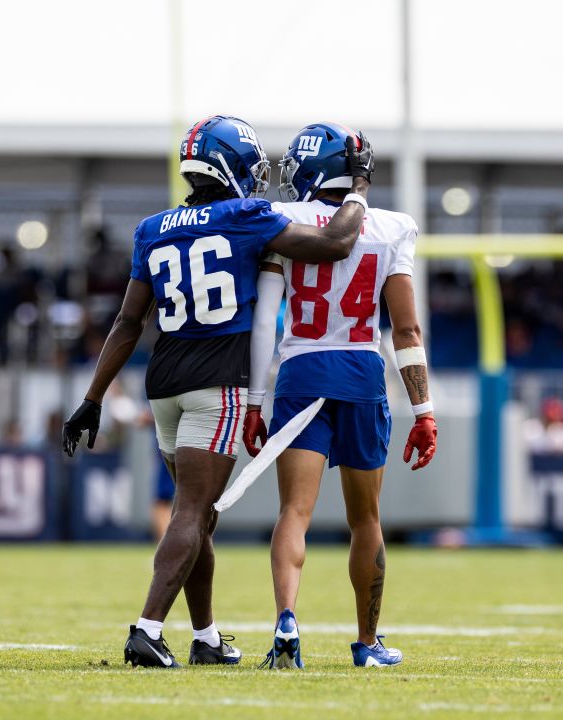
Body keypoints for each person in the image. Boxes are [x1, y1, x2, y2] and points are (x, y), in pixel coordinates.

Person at [60, 114, 375, 668]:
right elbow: (334, 243)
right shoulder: (246, 216)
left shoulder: (153, 227)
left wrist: (93, 397)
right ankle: (148, 629)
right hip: (217, 380)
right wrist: (358, 191)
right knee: (192, 510)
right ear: (231, 166)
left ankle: (205, 637)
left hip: (165, 383)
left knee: (198, 515)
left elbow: (128, 323)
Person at [243, 122, 437, 670]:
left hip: (302, 370)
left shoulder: (281, 222)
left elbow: (266, 320)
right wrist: (423, 411)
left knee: (293, 512)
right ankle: (368, 643)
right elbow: (406, 331)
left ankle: (286, 621)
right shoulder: (393, 227)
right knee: (366, 519)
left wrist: (256, 401)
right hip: (360, 373)